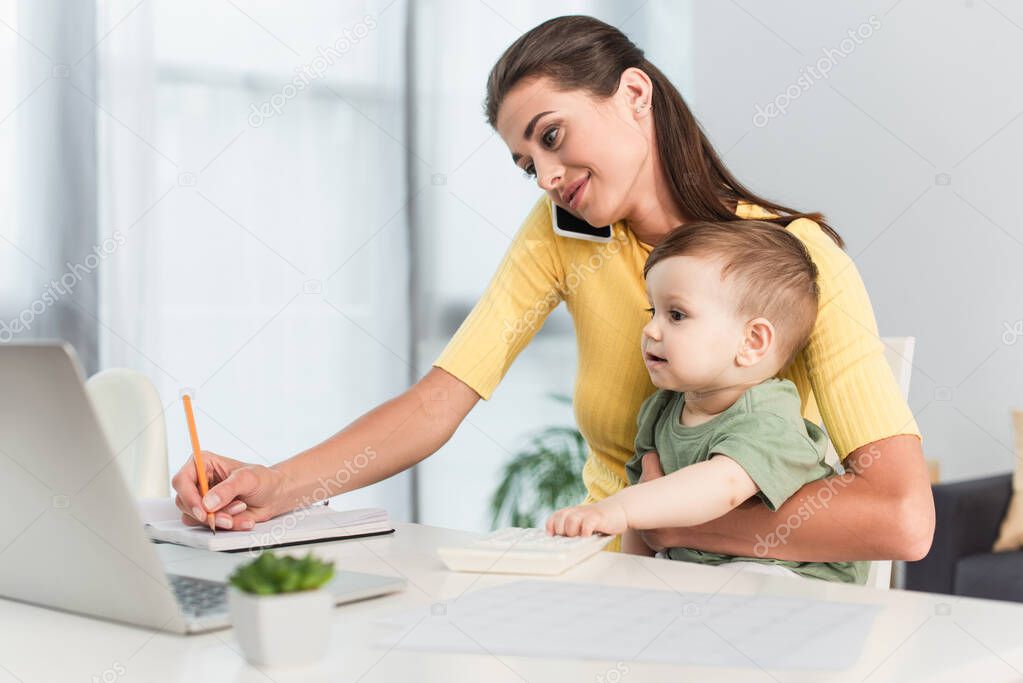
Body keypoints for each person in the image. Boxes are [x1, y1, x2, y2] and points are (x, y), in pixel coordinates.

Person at [171, 15, 933, 563]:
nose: (544, 176)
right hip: (609, 570)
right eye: (523, 161)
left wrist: (659, 523)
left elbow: (901, 520)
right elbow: (442, 398)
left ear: (634, 95)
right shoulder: (561, 234)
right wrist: (274, 486)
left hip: (742, 585)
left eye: (552, 135)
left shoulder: (793, 259)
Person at [546, 220, 870, 584]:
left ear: (752, 342)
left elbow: (723, 487)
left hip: (795, 577)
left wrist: (617, 509)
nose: (651, 330)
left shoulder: (768, 415)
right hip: (712, 579)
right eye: (652, 311)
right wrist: (631, 581)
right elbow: (645, 506)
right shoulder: (660, 411)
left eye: (677, 315)